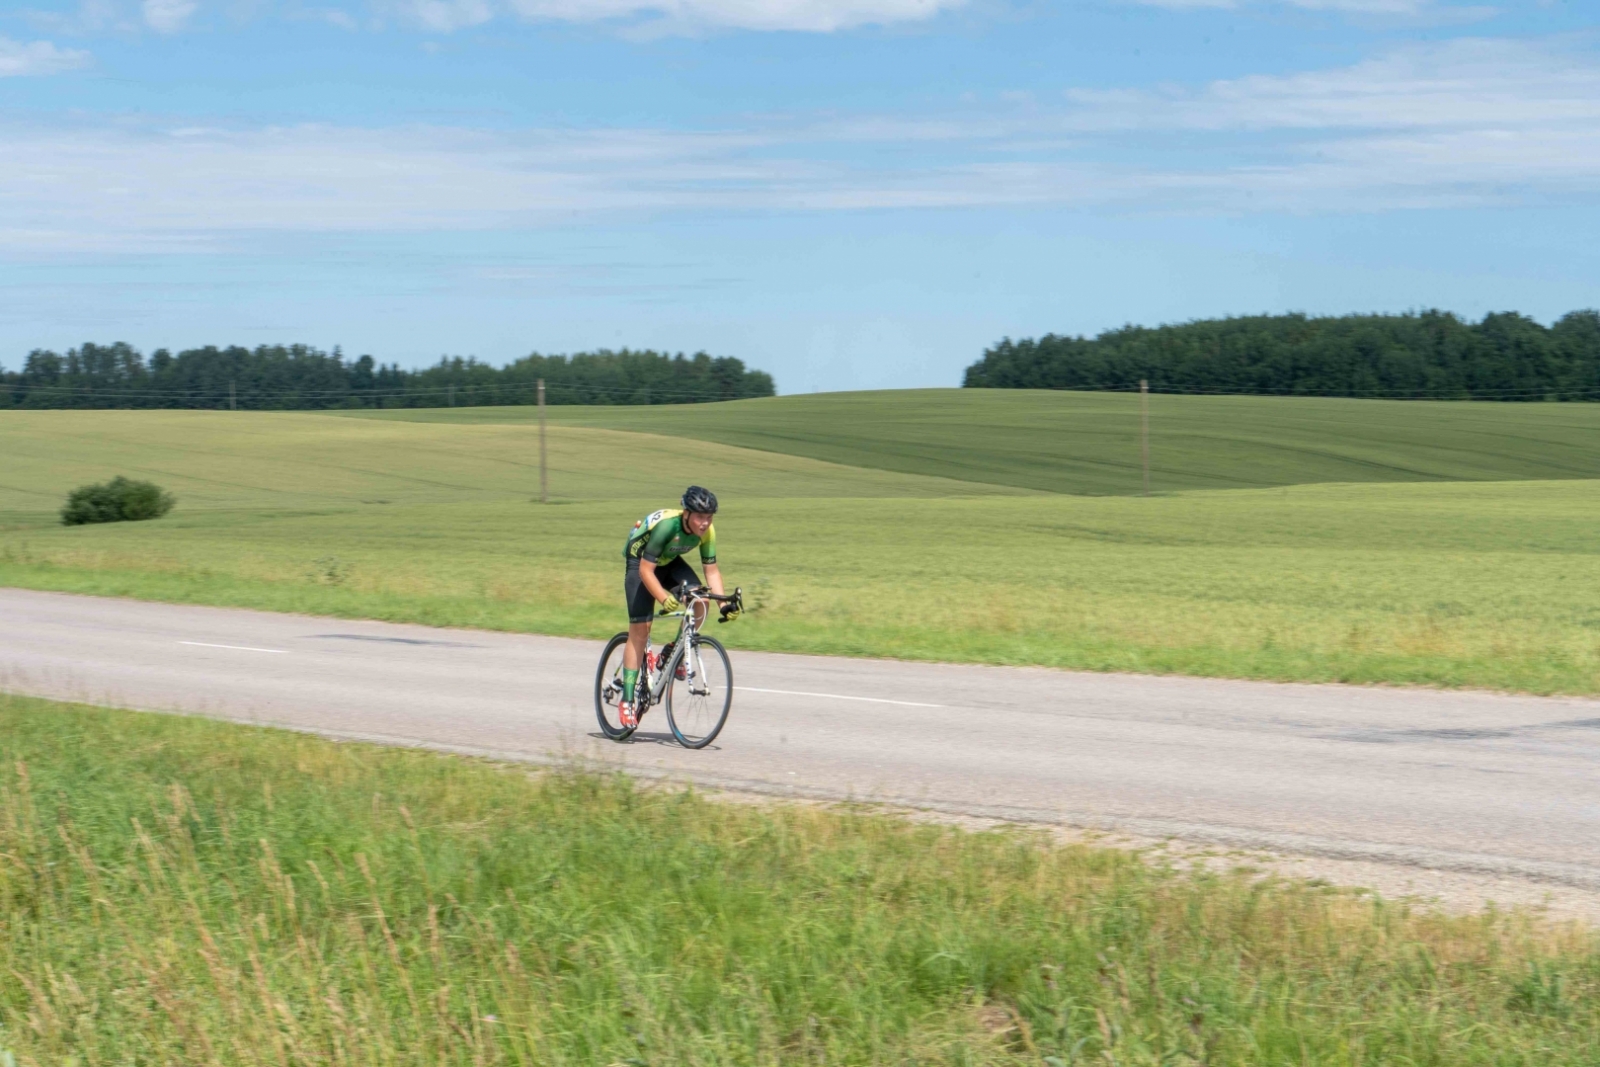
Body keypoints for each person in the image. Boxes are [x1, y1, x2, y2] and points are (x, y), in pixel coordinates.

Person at [618, 485, 736, 727]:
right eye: (700, 517)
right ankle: (627, 700)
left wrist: (723, 603)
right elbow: (645, 570)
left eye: (709, 517)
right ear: (686, 514)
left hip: (668, 560)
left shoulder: (707, 532)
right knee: (640, 631)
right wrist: (663, 597)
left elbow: (711, 571)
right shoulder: (667, 527)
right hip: (640, 561)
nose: (705, 523)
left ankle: (673, 651)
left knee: (701, 599)